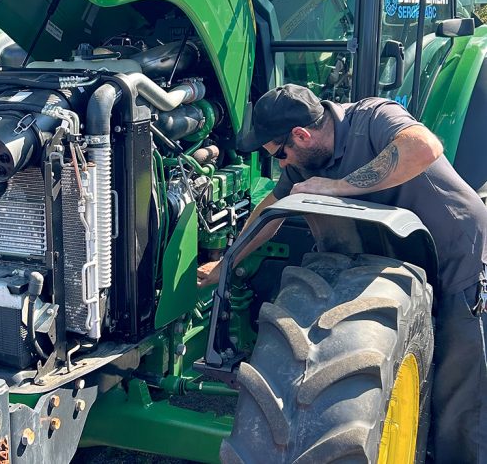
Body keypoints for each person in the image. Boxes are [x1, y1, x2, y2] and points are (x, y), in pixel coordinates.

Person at [197, 84, 487, 463]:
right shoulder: (305, 158)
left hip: (456, 253)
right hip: (394, 260)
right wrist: (228, 262)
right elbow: (274, 204)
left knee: (460, 396)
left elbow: (424, 147)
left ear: (301, 134)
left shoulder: (373, 117)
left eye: (280, 154)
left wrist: (338, 187)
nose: (282, 164)